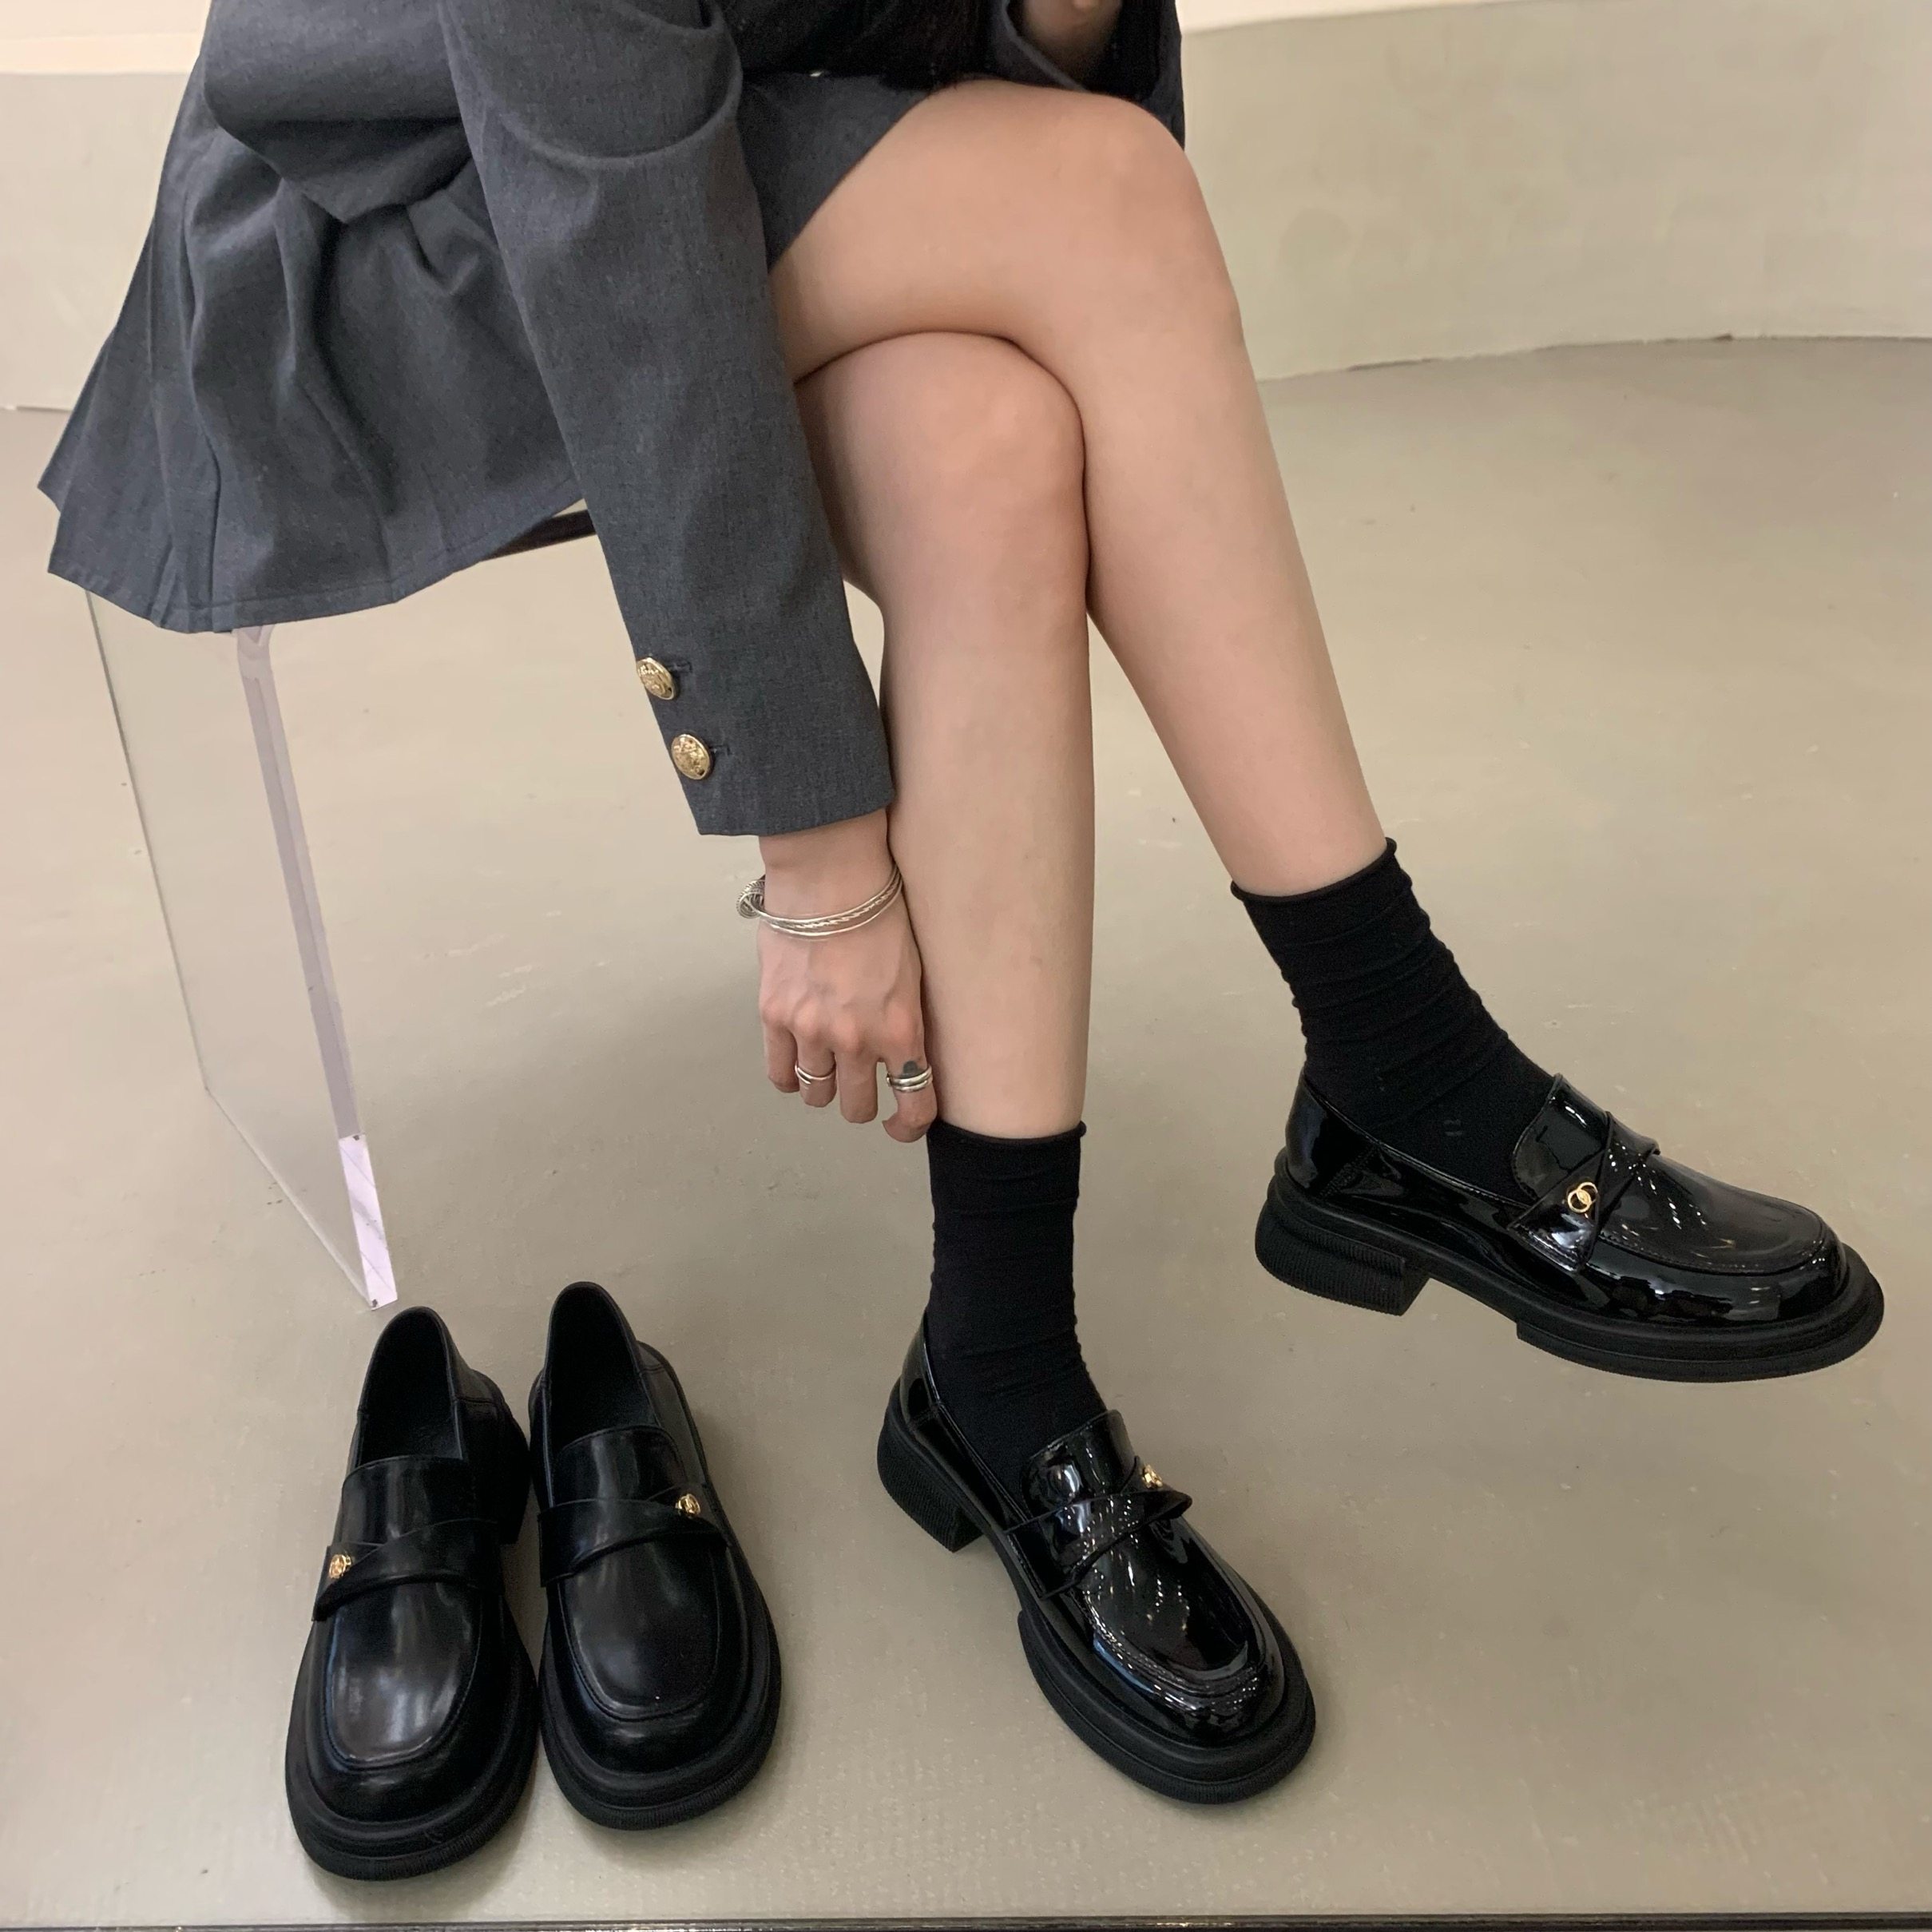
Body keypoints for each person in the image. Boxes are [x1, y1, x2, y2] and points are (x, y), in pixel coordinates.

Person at [46, 0, 1880, 1840]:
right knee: (1106, 201)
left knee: (989, 452)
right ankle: (1403, 1061)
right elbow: (616, 216)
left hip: (740, 131)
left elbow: (964, 58)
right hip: (405, 228)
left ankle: (996, 1363)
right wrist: (820, 853)